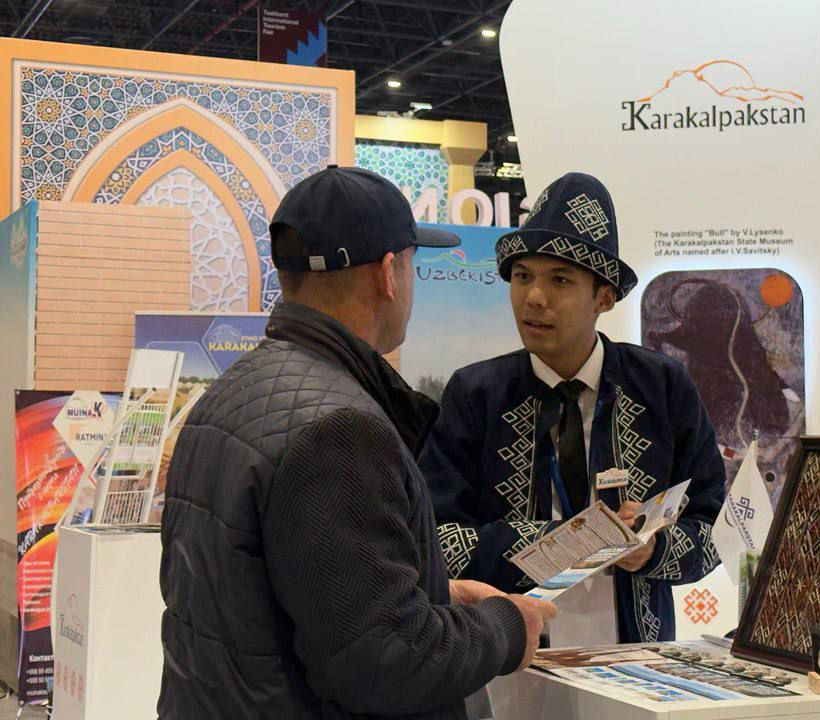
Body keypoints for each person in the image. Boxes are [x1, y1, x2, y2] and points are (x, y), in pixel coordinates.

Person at [158, 165, 555, 720]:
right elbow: (385, 661)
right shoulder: (340, 429)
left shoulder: (228, 396)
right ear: (389, 274)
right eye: (414, 264)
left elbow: (293, 598)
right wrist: (506, 628)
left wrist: (437, 593)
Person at [420, 171, 725, 645]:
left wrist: (651, 549)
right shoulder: (477, 394)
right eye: (522, 277)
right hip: (509, 653)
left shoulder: (661, 387)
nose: (533, 298)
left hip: (637, 656)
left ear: (603, 297)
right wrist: (569, 540)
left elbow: (715, 528)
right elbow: (438, 539)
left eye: (559, 280)